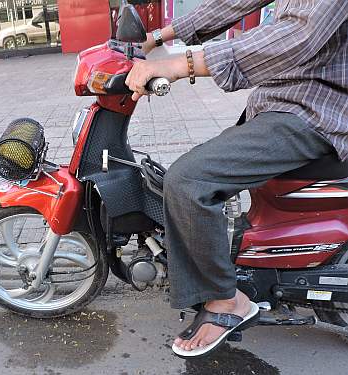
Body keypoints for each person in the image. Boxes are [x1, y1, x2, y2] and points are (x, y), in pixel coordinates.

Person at [125, 0, 348, 358]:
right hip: (281, 100)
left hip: (314, 110)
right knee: (208, 169)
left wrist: (184, 64)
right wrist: (156, 37)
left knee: (189, 180)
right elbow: (236, 2)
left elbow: (300, 36)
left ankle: (228, 303)